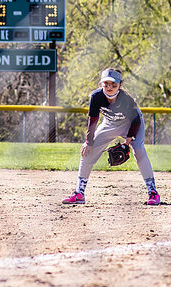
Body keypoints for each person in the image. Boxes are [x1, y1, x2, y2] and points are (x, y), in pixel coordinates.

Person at [62, 68, 160, 206]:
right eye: (106, 84)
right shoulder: (96, 97)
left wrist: (128, 141)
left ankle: (153, 192)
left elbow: (136, 120)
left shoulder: (126, 99)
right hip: (109, 123)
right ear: (101, 84)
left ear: (120, 84)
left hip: (130, 124)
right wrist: (88, 142)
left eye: (113, 85)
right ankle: (79, 193)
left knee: (139, 150)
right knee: (87, 151)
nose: (109, 87)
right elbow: (93, 120)